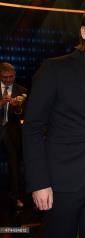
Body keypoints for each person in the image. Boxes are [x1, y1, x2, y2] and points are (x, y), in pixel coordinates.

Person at [23, 3, 85, 238]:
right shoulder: (54, 69)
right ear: (84, 32)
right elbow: (32, 129)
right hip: (62, 182)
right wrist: (39, 182)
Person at [0, 62, 27, 209]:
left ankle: (16, 197)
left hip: (12, 133)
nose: (8, 80)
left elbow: (24, 115)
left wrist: (18, 107)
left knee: (14, 165)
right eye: (5, 77)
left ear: (15, 75)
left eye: (11, 77)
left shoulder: (21, 90)